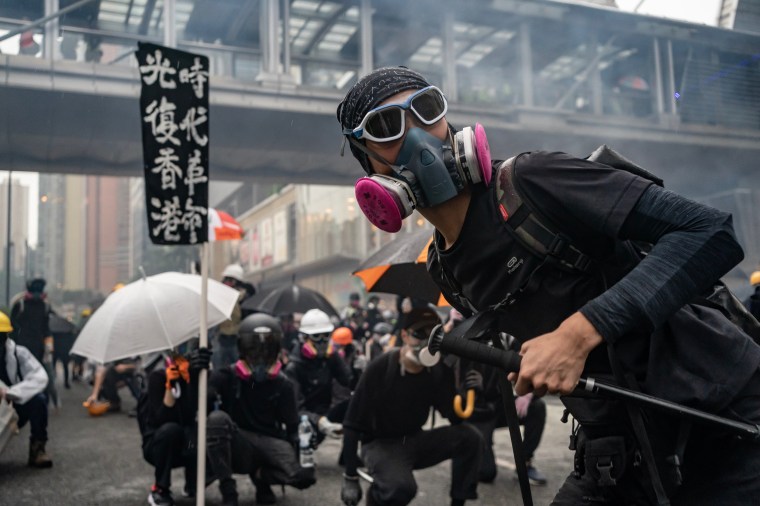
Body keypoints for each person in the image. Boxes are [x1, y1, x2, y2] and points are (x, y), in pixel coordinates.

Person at [337, 66, 760, 505]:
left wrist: (576, 335)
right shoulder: (446, 269)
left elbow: (710, 232)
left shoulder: (532, 180)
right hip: (619, 442)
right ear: (367, 161)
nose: (418, 135)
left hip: (721, 415)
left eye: (427, 110)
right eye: (386, 127)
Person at [339, 307, 483, 506]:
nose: (426, 343)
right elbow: (352, 423)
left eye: (434, 336)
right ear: (404, 335)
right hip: (380, 444)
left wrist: (467, 392)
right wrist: (350, 477)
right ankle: (378, 496)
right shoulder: (380, 368)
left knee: (470, 437)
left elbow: (454, 417)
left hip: (414, 439)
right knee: (400, 488)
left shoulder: (437, 369)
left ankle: (458, 503)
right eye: (419, 334)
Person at [206, 313, 315, 506]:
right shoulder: (227, 377)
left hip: (270, 443)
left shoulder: (283, 385)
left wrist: (302, 451)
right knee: (216, 420)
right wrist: (197, 370)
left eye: (267, 351)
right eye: (254, 350)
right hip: (238, 441)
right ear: (242, 350)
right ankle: (228, 490)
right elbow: (201, 399)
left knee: (305, 476)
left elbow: (292, 429)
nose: (261, 357)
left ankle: (262, 478)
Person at [139, 347, 211, 506]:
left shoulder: (193, 377)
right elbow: (161, 419)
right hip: (159, 444)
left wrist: (195, 377)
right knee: (171, 430)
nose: (183, 363)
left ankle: (193, 482)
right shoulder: (157, 377)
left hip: (186, 442)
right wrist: (170, 386)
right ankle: (160, 489)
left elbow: (193, 413)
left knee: (201, 430)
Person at [284, 309, 352, 446]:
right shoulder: (294, 367)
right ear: (303, 338)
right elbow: (295, 409)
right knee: (304, 449)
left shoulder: (330, 358)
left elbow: (348, 381)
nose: (322, 342)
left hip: (325, 412)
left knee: (355, 405)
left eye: (325, 336)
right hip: (305, 420)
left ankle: (349, 459)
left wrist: (355, 366)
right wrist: (319, 421)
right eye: (316, 337)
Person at [0, 311, 52, 468]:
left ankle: (38, 449)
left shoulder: (19, 353)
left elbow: (40, 377)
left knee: (39, 400)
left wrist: (11, 393)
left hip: (14, 409)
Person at [213, 264, 255, 370]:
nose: (227, 282)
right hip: (221, 339)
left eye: (230, 280)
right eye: (226, 279)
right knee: (219, 370)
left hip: (238, 341)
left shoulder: (246, 299)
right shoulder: (219, 296)